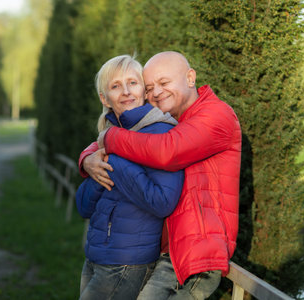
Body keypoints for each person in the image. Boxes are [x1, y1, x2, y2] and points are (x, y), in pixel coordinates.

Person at [79, 51, 242, 299]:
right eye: (150, 87)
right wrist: (88, 158)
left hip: (198, 251)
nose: (156, 93)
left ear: (190, 78)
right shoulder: (173, 118)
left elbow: (168, 150)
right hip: (170, 250)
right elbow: (133, 138)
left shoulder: (216, 115)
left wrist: (108, 141)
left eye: (164, 84)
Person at [76, 54, 184, 300]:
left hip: (127, 263)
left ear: (144, 91)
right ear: (105, 98)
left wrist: (113, 158)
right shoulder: (109, 135)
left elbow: (162, 201)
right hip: (94, 257)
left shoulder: (162, 133)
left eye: (132, 83)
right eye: (115, 86)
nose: (125, 91)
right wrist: (92, 164)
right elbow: (83, 206)